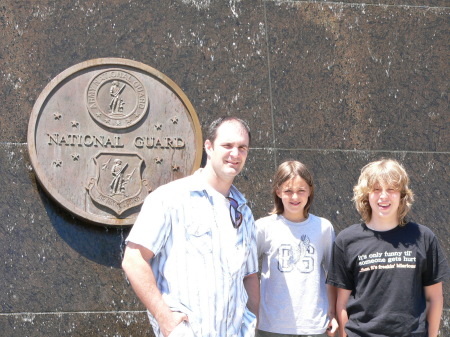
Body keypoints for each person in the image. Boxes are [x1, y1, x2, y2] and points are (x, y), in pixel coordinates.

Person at [122, 116, 259, 337]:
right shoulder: (170, 198)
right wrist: (164, 317)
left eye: (242, 147)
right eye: (227, 145)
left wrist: (254, 324)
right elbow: (133, 259)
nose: (235, 154)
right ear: (209, 147)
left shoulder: (244, 212)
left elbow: (249, 276)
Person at [326, 158, 449, 337]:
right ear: (366, 195)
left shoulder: (423, 237)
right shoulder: (346, 240)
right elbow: (342, 303)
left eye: (391, 189)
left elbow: (435, 297)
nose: (384, 196)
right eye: (376, 189)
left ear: (402, 195)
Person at [256, 160, 338, 337]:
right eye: (288, 191)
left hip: (315, 326)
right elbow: (245, 272)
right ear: (278, 192)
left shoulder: (323, 228)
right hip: (272, 326)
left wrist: (333, 313)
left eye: (301, 190)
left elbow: (333, 275)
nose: (295, 197)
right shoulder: (263, 227)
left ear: (309, 191)